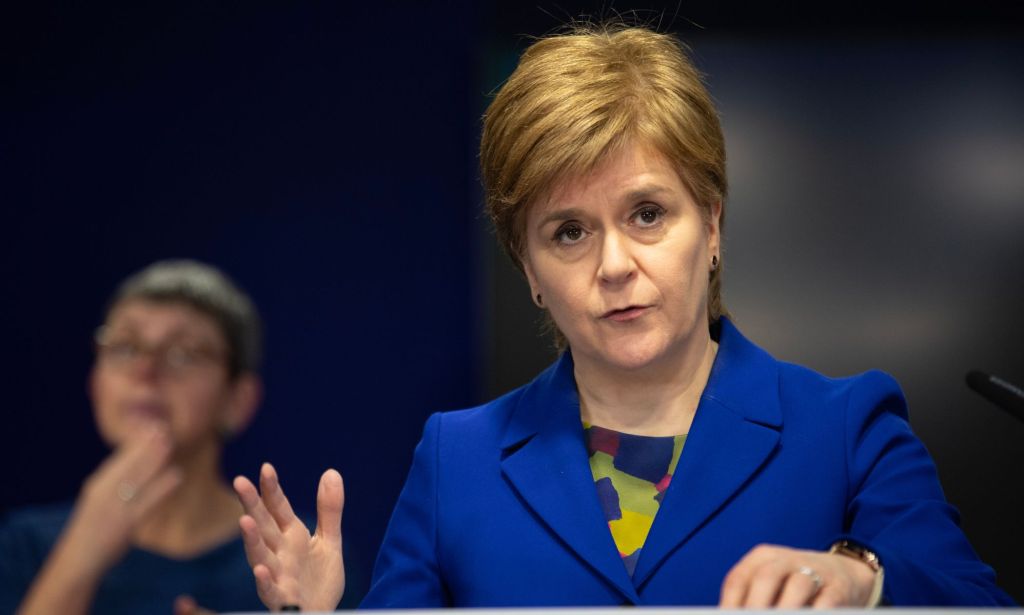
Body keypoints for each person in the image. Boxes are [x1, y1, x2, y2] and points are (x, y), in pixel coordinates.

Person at [233, 24, 1015, 609]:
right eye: (568, 231)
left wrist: (861, 575)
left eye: (647, 213)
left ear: (711, 226)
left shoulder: (846, 425)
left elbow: (971, 600)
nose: (613, 265)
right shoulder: (455, 459)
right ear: (529, 270)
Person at [0, 260, 266, 615]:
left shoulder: (287, 552)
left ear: (237, 399)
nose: (145, 372)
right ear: (94, 384)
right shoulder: (24, 545)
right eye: (125, 347)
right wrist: (81, 552)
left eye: (182, 353)